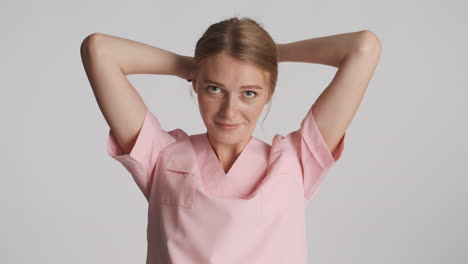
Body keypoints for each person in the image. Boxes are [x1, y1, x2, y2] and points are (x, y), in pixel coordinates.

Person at [80, 17, 381, 264]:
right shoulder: (162, 157)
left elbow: (364, 48)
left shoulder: (297, 161)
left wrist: (268, 55)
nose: (229, 110)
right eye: (214, 89)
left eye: (249, 92)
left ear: (269, 93)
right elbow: (99, 51)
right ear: (195, 86)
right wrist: (198, 66)